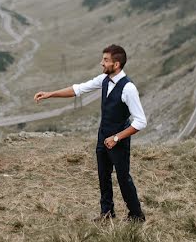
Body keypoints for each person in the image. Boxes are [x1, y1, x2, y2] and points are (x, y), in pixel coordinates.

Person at [35, 45, 147, 222]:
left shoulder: (128, 88)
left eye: (105, 60)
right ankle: (107, 213)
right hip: (102, 137)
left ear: (116, 64)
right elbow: (78, 89)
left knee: (123, 178)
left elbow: (141, 121)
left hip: (118, 141)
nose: (101, 63)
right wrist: (50, 94)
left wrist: (117, 138)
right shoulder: (104, 79)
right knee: (103, 176)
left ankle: (136, 215)